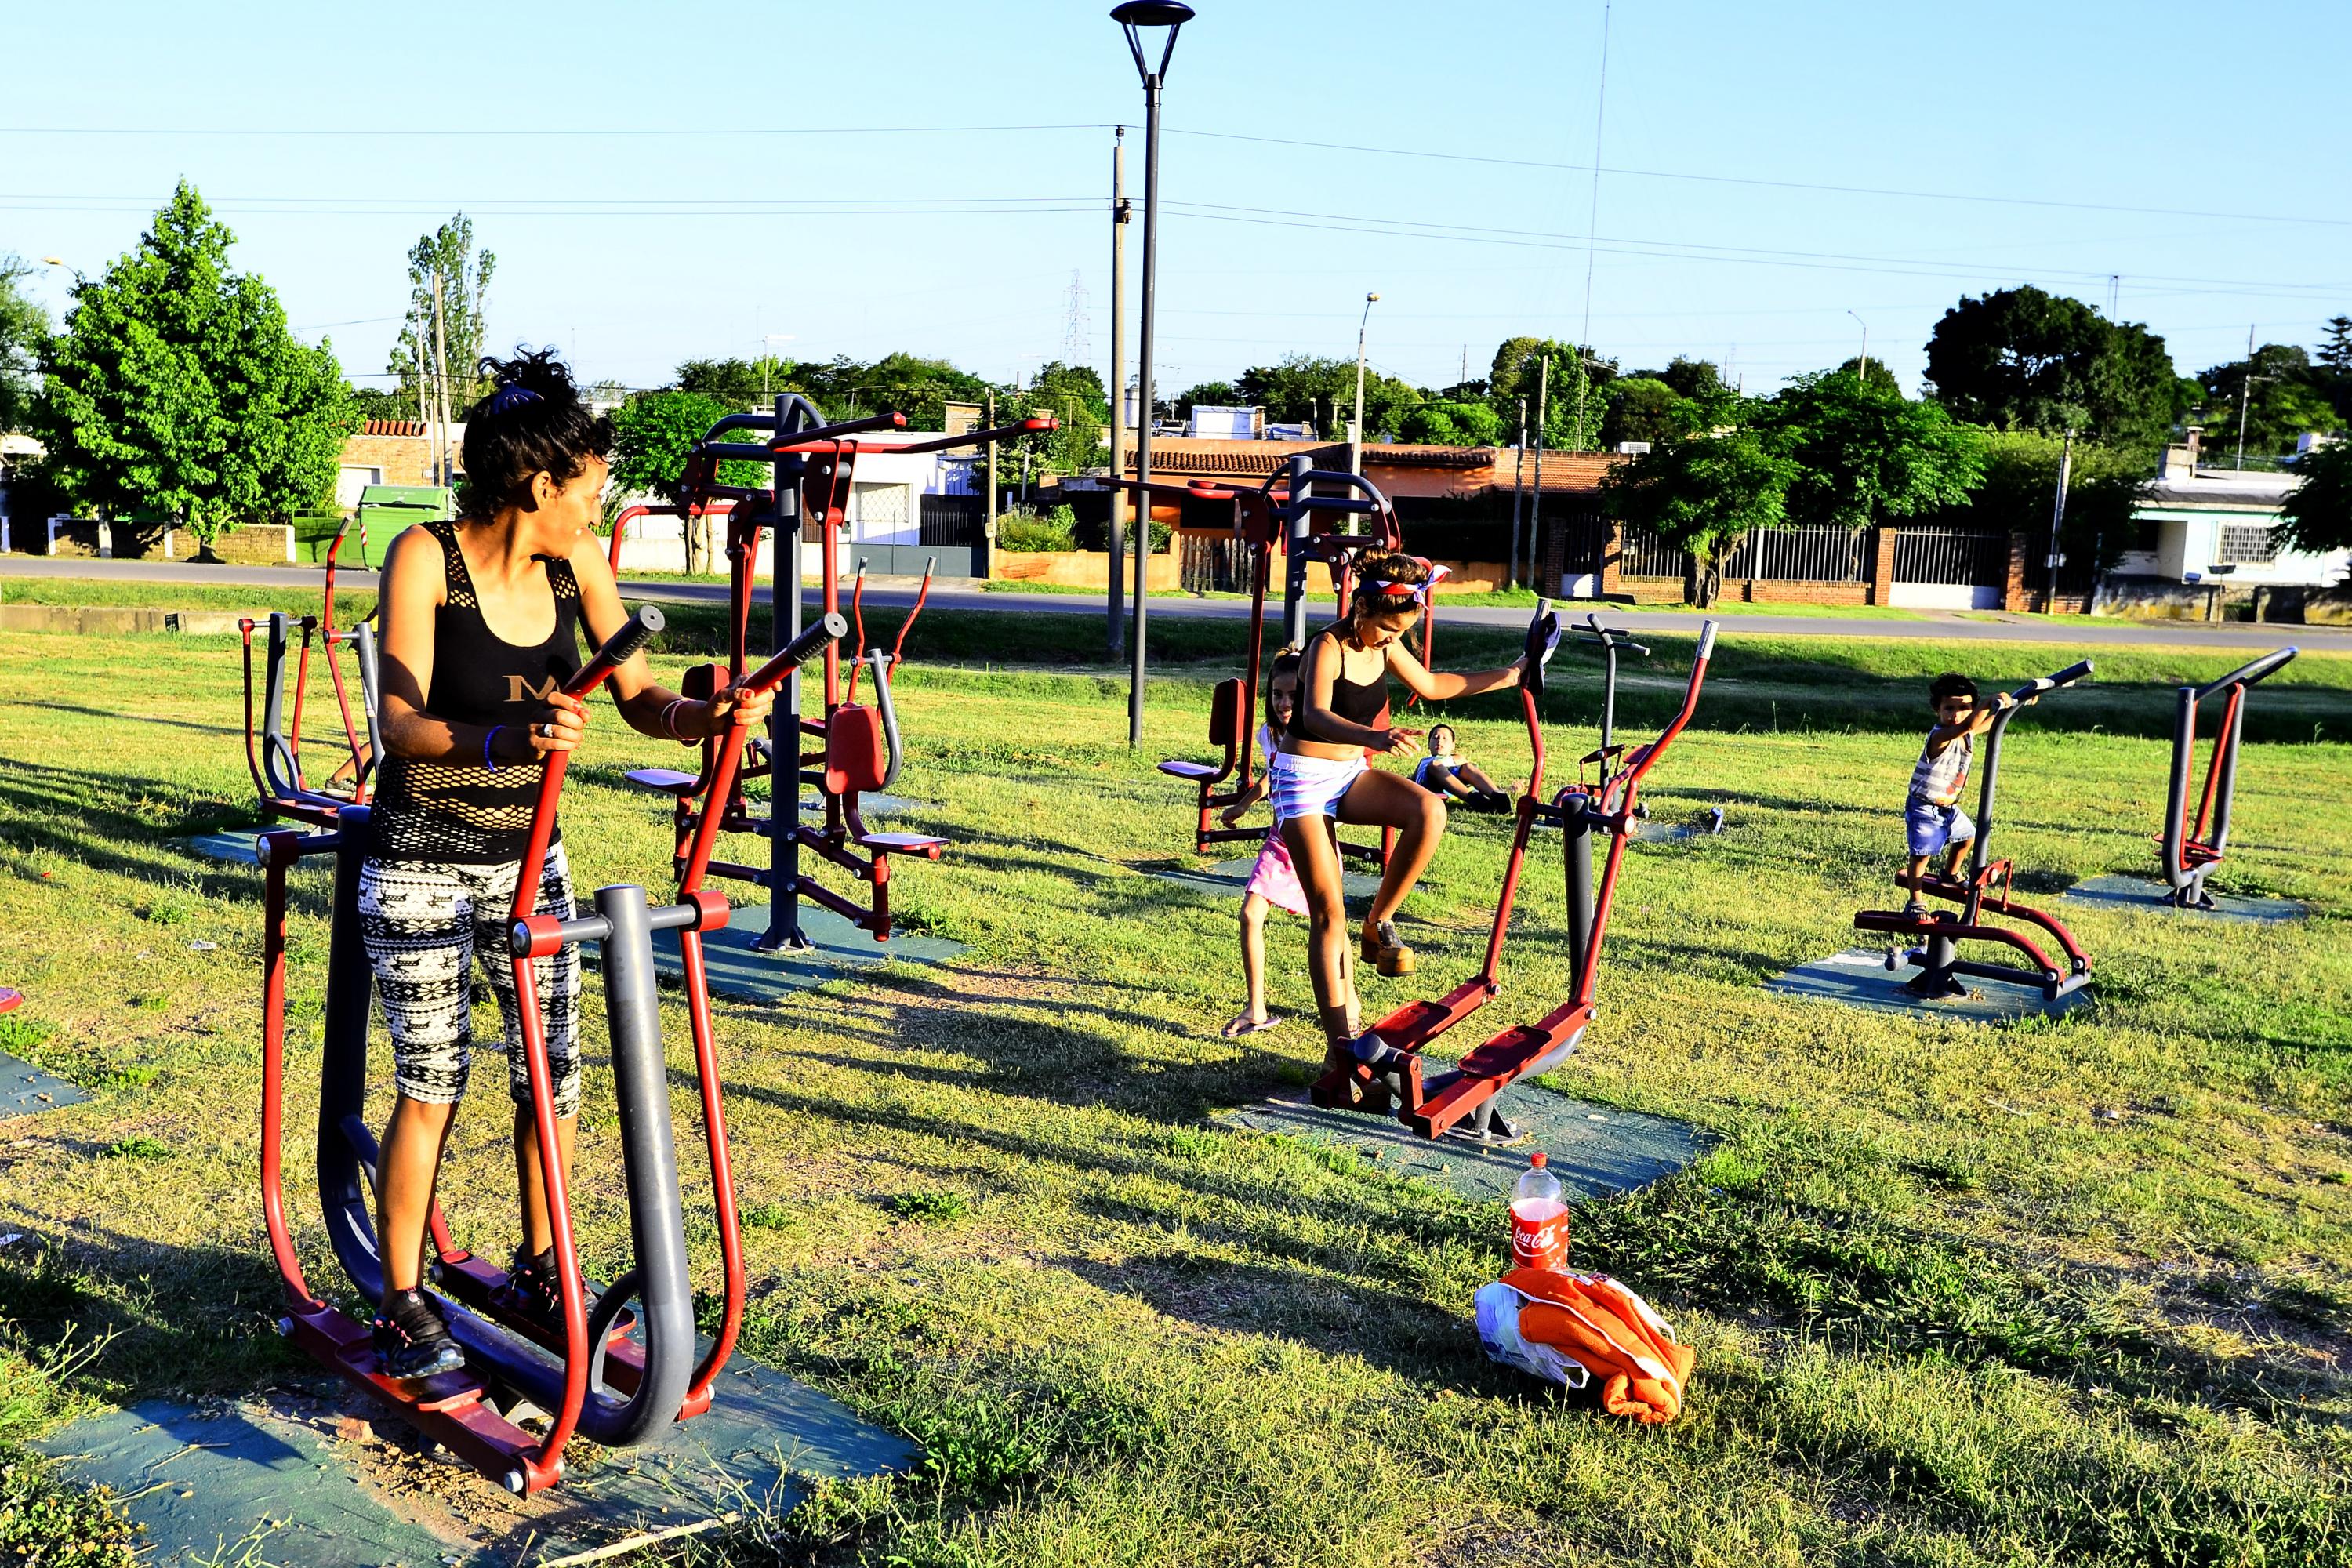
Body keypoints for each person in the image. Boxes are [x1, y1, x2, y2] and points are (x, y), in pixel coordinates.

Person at [361, 348, 775, 1380]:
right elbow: (400, 722)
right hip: (421, 851)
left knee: (554, 1078)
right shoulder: (424, 558)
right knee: (433, 1078)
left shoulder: (575, 565)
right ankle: (403, 1297)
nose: (600, 514)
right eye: (590, 494)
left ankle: (545, 1267)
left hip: (527, 854)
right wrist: (507, 741)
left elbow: (637, 695)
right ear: (539, 488)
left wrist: (704, 717)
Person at [1274, 551, 1529, 1076]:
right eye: (1387, 629)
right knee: (1328, 914)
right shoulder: (1327, 645)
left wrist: (1513, 675)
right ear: (1361, 607)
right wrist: (1373, 736)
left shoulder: (1385, 644)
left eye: (1401, 632)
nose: (1393, 640)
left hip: (1347, 775)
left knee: (1429, 811)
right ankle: (1343, 1048)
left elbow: (1435, 686)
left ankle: (1381, 920)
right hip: (1301, 777)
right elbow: (1317, 712)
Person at [1215, 650, 1347, 1038]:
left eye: (1294, 694)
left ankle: (1348, 1002)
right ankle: (1256, 1006)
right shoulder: (1268, 735)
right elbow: (1271, 778)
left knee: (1331, 924)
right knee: (1250, 914)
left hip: (1314, 840)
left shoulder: (1319, 734)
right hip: (1279, 841)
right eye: (1277, 695)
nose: (1285, 703)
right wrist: (1240, 807)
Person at [1900, 671, 2027, 916]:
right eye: (1949, 708)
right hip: (1924, 806)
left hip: (1948, 807)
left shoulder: (1966, 732)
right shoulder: (1940, 736)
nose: (1956, 714)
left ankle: (1950, 874)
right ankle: (1915, 901)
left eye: (1964, 708)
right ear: (1937, 710)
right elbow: (1970, 724)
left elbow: (1992, 722)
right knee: (1921, 855)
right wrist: (1987, 702)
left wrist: (2017, 702)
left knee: (1968, 837)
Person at [1410, 723, 1512, 808]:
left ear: (1453, 745)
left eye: (1445, 738)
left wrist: (1508, 789)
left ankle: (1498, 795)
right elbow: (1411, 780)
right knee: (1434, 765)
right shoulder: (1424, 761)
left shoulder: (1456, 758)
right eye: (1435, 737)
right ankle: (1475, 800)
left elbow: (1473, 777)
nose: (1439, 740)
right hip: (1429, 784)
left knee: (1468, 767)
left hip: (1451, 783)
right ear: (1429, 744)